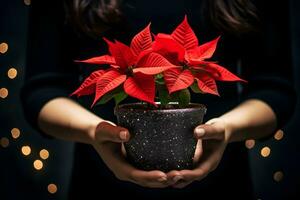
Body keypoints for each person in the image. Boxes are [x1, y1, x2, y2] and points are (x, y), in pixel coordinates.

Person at [21, 0, 296, 199]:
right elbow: (42, 92)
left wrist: (225, 130)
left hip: (224, 183)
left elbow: (274, 90)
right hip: (99, 185)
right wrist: (96, 132)